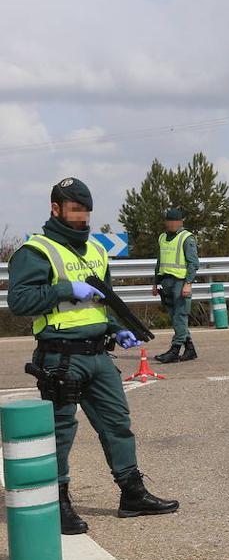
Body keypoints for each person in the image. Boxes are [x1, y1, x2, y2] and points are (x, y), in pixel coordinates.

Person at [7, 178, 179, 534]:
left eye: (86, 211)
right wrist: (66, 288)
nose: (82, 217)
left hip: (99, 355)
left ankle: (132, 495)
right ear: (55, 209)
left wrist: (117, 328)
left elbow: (105, 301)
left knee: (117, 425)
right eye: (75, 210)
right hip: (60, 358)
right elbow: (20, 301)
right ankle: (58, 503)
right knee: (60, 433)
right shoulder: (36, 251)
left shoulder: (97, 250)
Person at [151, 208, 199, 363]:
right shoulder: (162, 238)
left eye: (174, 221)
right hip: (166, 282)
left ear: (180, 222)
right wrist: (155, 283)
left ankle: (175, 350)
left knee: (180, 316)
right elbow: (160, 262)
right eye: (168, 221)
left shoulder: (187, 238)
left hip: (181, 282)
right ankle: (190, 349)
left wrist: (188, 284)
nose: (171, 224)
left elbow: (193, 263)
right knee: (175, 318)